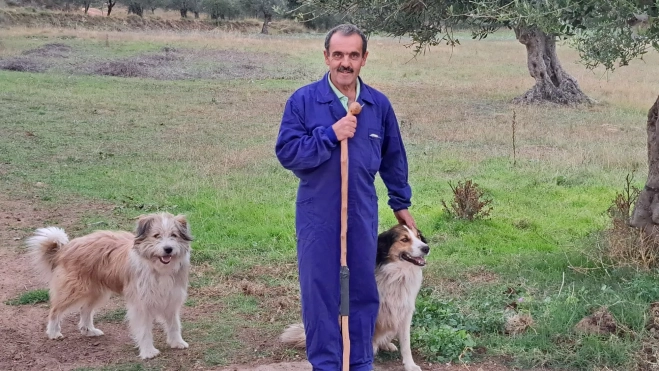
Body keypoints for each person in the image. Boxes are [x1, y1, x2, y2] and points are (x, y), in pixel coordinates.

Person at [275, 23, 417, 371]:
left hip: (361, 211)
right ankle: (325, 363)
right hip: (317, 214)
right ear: (326, 56)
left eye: (353, 55)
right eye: (338, 54)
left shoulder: (378, 105)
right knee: (320, 291)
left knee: (362, 290)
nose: (345, 62)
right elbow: (288, 153)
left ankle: (359, 361)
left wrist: (400, 201)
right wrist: (329, 135)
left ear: (364, 59)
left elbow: (393, 155)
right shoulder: (304, 101)